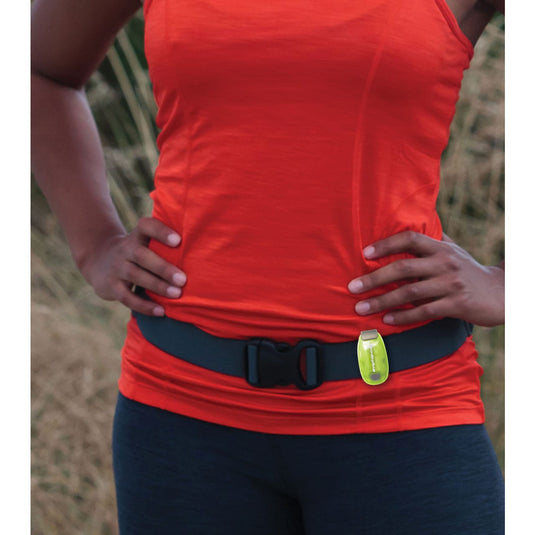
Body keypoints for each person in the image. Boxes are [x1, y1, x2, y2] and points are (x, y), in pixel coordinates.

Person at [31, 0, 505, 533]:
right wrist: (95, 244)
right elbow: (41, 71)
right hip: (181, 420)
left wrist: (508, 283)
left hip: (405, 420)